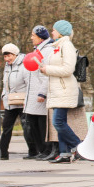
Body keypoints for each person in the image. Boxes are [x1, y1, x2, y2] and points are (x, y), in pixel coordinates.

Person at [39, 20, 82, 163]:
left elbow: (68, 69)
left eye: (54, 30)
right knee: (60, 121)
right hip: (58, 90)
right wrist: (45, 69)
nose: (52, 32)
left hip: (64, 89)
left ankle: (79, 147)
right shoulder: (58, 46)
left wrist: (48, 70)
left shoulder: (67, 46)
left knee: (58, 122)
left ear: (61, 32)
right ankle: (64, 153)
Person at [24, 25, 55, 160]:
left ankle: (46, 150)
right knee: (32, 122)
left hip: (40, 94)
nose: (31, 38)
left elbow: (46, 74)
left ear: (40, 37)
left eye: (33, 35)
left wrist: (42, 93)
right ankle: (40, 150)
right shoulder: (37, 50)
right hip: (32, 93)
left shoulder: (47, 51)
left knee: (42, 124)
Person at [0, 44, 29, 160]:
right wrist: (5, 95)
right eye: (5, 56)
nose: (7, 59)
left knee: (27, 127)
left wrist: (28, 99)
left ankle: (34, 151)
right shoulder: (7, 67)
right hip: (11, 101)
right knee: (6, 127)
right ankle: (2, 153)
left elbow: (28, 83)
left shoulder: (24, 65)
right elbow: (5, 84)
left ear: (15, 54)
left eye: (9, 56)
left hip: (23, 101)